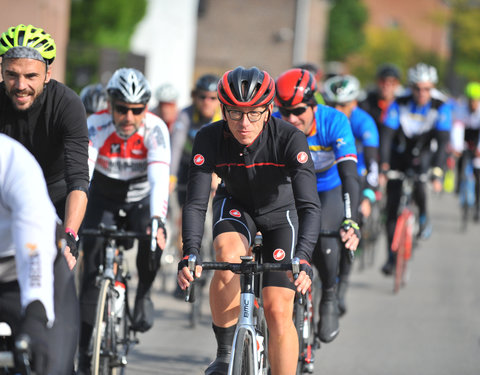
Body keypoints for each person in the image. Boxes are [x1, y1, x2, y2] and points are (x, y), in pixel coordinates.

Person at [177, 66, 321, 375]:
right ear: (223, 110)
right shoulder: (209, 138)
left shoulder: (290, 138)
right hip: (237, 206)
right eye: (235, 113)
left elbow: (310, 205)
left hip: (282, 215)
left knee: (277, 308)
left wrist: (305, 258)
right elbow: (195, 203)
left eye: (254, 113)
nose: (245, 123)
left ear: (269, 109)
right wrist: (190, 252)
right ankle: (225, 351)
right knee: (227, 258)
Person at [77, 68, 170, 373]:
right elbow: (83, 176)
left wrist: (157, 219)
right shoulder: (95, 124)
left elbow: (159, 179)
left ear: (146, 108)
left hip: (141, 198)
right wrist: (73, 224)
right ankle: (84, 350)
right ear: (110, 105)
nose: (129, 117)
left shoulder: (155, 129)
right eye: (121, 109)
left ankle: (143, 293)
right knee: (90, 265)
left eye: (137, 110)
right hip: (103, 195)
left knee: (153, 242)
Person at [274, 68, 361, 343]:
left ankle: (330, 296)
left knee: (324, 237)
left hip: (328, 187)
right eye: (284, 112)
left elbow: (349, 175)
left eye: (298, 111)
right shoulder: (276, 122)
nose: (291, 119)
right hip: (290, 186)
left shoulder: (334, 121)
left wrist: (351, 219)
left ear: (313, 104)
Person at [0, 24, 89, 265]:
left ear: (47, 75)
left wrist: (69, 236)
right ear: (2, 71)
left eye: (31, 76)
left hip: (54, 196)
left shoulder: (67, 104)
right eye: (11, 75)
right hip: (7, 196)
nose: (20, 85)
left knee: (58, 271)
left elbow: (78, 180)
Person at [0, 134, 78, 375]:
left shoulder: (11, 159)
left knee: (50, 364)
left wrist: (36, 311)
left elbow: (33, 246)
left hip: (33, 266)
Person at [380, 62, 451, 275]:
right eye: (418, 88)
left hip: (425, 153)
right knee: (392, 207)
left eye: (427, 89)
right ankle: (391, 258)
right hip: (399, 153)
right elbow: (386, 137)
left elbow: (442, 143)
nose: (422, 93)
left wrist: (438, 172)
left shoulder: (441, 106)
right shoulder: (399, 102)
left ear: (433, 88)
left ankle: (423, 215)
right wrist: (384, 167)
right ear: (411, 88)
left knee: (420, 186)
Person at [323, 74, 379, 314]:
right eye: (332, 104)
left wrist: (368, 195)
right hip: (326, 180)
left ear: (354, 104)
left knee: (353, 219)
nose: (337, 110)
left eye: (343, 105)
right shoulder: (323, 120)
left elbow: (374, 163)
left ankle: (342, 282)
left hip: (358, 175)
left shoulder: (364, 122)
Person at [451, 81, 480, 221]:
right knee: (461, 161)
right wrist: (457, 147)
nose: (472, 104)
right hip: (464, 138)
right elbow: (457, 129)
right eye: (470, 100)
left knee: (478, 172)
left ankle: (478, 205)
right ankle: (459, 184)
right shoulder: (461, 109)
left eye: (475, 101)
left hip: (477, 140)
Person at [359, 63, 402, 132]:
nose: (386, 85)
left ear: (397, 84)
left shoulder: (402, 105)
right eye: (383, 81)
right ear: (377, 81)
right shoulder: (366, 104)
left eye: (392, 82)